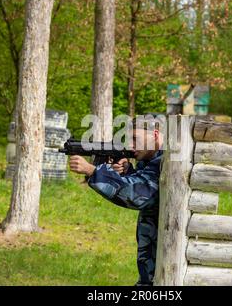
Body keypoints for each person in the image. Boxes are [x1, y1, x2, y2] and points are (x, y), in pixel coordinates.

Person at [69, 119, 163, 286]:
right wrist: (127, 170)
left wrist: (92, 171)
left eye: (135, 138)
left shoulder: (164, 162)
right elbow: (142, 182)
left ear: (154, 135)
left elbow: (139, 195)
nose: (131, 145)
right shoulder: (150, 159)